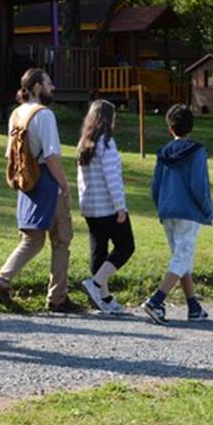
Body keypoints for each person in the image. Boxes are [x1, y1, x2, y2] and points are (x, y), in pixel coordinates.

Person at [0, 68, 79, 312]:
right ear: (37, 87)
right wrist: (64, 184)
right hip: (47, 181)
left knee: (32, 239)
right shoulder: (44, 115)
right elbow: (51, 156)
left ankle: (1, 281)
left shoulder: (16, 114)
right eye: (49, 83)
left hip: (27, 181)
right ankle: (57, 298)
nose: (53, 88)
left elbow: (10, 154)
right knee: (62, 239)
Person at [142, 103, 213, 324]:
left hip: (168, 210)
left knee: (181, 258)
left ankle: (194, 307)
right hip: (188, 211)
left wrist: (161, 206)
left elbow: (155, 185)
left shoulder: (163, 152)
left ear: (170, 128)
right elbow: (199, 184)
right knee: (182, 257)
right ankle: (156, 300)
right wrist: (206, 209)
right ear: (191, 127)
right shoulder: (196, 151)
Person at [75, 100, 133, 315]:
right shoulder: (106, 144)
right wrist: (120, 207)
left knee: (99, 250)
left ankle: (104, 298)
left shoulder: (84, 143)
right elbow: (112, 179)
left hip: (90, 207)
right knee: (126, 247)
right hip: (107, 207)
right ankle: (96, 284)